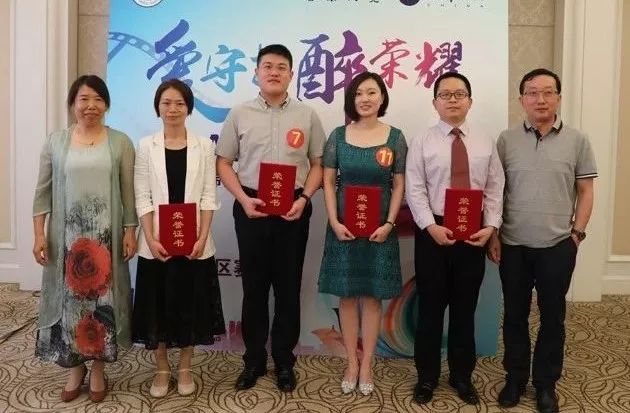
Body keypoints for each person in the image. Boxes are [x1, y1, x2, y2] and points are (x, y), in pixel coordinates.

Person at [216, 44, 326, 392]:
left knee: (288, 288)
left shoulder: (307, 115)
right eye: (267, 66)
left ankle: (284, 360)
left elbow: (319, 164)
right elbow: (223, 162)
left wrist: (305, 199)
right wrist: (243, 199)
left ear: (291, 74)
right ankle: (253, 360)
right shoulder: (240, 113)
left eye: (281, 67)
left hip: (293, 208)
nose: (274, 72)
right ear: (257, 73)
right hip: (252, 206)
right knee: (254, 288)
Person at [488, 68, 597, 413]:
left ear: (558, 98)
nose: (540, 99)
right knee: (515, 315)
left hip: (557, 245)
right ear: (521, 99)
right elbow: (495, 192)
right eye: (532, 92)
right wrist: (494, 233)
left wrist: (577, 234)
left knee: (553, 317)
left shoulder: (578, 140)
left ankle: (546, 384)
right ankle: (515, 378)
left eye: (548, 92)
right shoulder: (506, 140)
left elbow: (586, 190)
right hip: (513, 244)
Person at [32, 75, 137, 403]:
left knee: (103, 305)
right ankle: (75, 368)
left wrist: (130, 231)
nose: (91, 106)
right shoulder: (56, 142)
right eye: (84, 99)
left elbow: (128, 194)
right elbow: (42, 192)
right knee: (70, 304)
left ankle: (99, 369)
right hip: (67, 240)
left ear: (106, 105)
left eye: (98, 99)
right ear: (73, 104)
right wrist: (39, 234)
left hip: (105, 239)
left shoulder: (120, 142)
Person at [405, 72, 504, 405]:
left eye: (459, 94)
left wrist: (491, 227)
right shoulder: (422, 140)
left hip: (473, 232)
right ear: (435, 103)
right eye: (445, 95)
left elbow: (495, 187)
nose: (452, 100)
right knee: (430, 309)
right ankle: (427, 377)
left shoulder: (485, 141)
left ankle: (462, 376)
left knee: (465, 309)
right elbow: (414, 188)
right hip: (433, 231)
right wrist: (429, 226)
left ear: (470, 101)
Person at [132, 79, 225, 398]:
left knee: (190, 306)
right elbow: (142, 196)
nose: (172, 109)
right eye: (166, 103)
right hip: (157, 243)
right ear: (157, 107)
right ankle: (161, 368)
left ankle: (185, 367)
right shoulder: (146, 146)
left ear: (189, 108)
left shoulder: (204, 146)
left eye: (179, 103)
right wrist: (149, 237)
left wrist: (202, 236)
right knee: (157, 307)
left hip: (194, 243)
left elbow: (209, 196)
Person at [318, 72, 407, 396]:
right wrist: (334, 220)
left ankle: (367, 363)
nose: (365, 99)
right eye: (359, 93)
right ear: (351, 100)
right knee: (346, 296)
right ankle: (351, 363)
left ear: (382, 97)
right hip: (343, 228)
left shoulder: (395, 137)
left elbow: (399, 184)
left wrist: (389, 223)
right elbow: (329, 181)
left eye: (372, 92)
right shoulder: (338, 136)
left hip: (379, 231)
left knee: (371, 297)